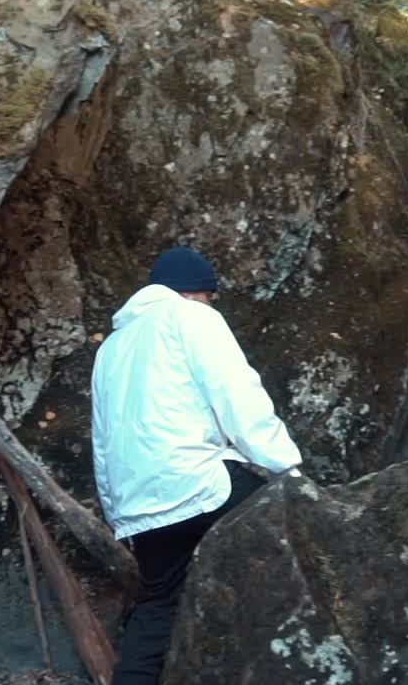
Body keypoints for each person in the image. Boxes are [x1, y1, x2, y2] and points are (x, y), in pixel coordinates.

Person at [91, 246, 303, 685]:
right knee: (288, 536)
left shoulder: (110, 349)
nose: (212, 306)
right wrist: (290, 473)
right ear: (195, 293)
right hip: (197, 486)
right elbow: (237, 394)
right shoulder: (191, 318)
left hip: (140, 508)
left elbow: (103, 439)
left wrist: (119, 514)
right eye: (210, 298)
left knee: (159, 605)